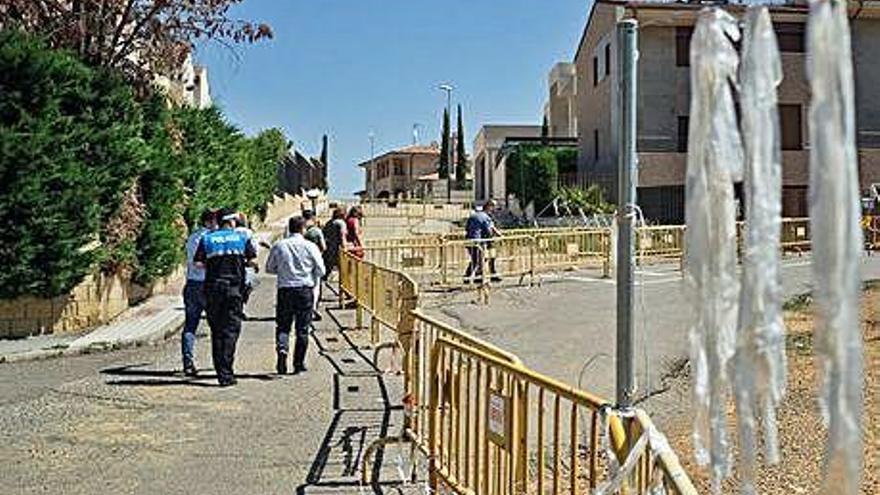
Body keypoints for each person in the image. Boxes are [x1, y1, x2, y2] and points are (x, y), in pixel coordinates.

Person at [194, 208, 257, 387]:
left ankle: (220, 370)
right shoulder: (241, 238)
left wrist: (214, 266)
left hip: (213, 289)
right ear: (231, 221)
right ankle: (227, 372)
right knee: (230, 331)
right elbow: (252, 260)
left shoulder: (207, 238)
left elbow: (198, 263)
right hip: (234, 290)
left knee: (216, 331)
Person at [266, 216, 326, 375]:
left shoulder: (279, 246)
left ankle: (282, 351)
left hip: (285, 289)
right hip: (304, 290)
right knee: (302, 329)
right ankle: (298, 363)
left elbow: (270, 268)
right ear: (303, 229)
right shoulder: (310, 246)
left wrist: (284, 270)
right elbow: (321, 270)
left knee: (283, 326)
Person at [181, 209, 217, 376]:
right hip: (207, 285)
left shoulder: (192, 237)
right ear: (210, 222)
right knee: (216, 326)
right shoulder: (209, 238)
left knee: (190, 326)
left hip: (191, 284)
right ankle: (219, 361)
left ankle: (188, 362)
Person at [464, 199, 503, 284]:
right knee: (479, 260)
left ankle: (469, 278)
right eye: (494, 207)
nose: (495, 209)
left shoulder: (474, 215)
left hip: (469, 240)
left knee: (475, 260)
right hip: (477, 241)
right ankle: (477, 278)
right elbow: (489, 230)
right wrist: (494, 237)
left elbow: (466, 228)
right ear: (489, 207)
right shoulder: (486, 217)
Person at [302, 209, 326, 321]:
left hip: (302, 261)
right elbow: (323, 246)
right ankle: (312, 310)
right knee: (315, 288)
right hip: (315, 261)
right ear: (313, 217)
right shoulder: (316, 231)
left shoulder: (301, 230)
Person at [235, 212, 260, 317]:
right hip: (247, 264)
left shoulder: (231, 232)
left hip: (234, 263)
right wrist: (256, 264)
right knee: (250, 285)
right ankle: (242, 307)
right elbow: (254, 249)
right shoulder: (249, 233)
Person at [322, 207, 348, 278]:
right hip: (337, 248)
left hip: (328, 248)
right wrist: (345, 248)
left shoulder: (329, 222)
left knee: (328, 267)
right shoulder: (341, 223)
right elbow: (342, 236)